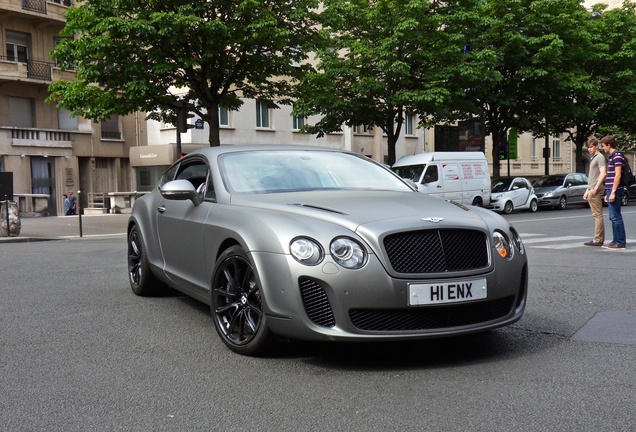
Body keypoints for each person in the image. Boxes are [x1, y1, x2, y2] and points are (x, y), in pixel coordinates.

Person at [600, 135, 626, 249]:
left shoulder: (617, 156)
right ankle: (615, 240)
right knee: (612, 216)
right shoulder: (612, 156)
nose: (603, 148)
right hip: (610, 189)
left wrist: (613, 191)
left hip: (615, 189)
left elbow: (618, 175)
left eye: (603, 146)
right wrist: (607, 191)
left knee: (616, 216)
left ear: (608, 145)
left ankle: (620, 241)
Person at [583, 137, 606, 246]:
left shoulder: (600, 157)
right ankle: (599, 238)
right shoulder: (594, 158)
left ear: (597, 146)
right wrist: (587, 190)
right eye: (588, 147)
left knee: (597, 215)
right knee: (596, 215)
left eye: (591, 147)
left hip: (595, 189)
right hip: (591, 188)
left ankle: (598, 239)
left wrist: (596, 187)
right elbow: (593, 176)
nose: (589, 149)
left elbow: (603, 173)